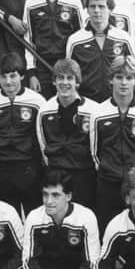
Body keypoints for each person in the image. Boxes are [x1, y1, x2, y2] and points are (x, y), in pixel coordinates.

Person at [16, 170, 100, 269]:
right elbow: (28, 259)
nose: (48, 201)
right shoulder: (34, 217)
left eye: (55, 195)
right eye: (45, 194)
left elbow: (91, 263)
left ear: (68, 196)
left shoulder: (87, 217)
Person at [90, 56, 135, 230]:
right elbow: (95, 151)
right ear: (111, 80)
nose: (124, 83)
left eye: (129, 78)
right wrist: (109, 168)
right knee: (108, 229)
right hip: (108, 182)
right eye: (119, 77)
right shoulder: (98, 113)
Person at [0, 52, 46, 215]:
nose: (8, 81)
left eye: (13, 76)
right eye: (3, 76)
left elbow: (42, 138)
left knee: (35, 217)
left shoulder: (37, 102)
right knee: (8, 218)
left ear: (22, 75)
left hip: (30, 168)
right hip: (3, 170)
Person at [36, 59, 99, 210]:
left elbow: (96, 147)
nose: (65, 82)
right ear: (54, 81)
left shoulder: (93, 110)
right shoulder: (44, 111)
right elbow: (43, 144)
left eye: (70, 78)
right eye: (60, 77)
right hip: (57, 175)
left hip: (84, 175)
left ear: (77, 82)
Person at [23, 0, 84, 98]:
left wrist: (75, 69)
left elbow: (80, 38)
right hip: (42, 67)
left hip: (67, 67)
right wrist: (32, 74)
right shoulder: (31, 3)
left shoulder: (74, 2)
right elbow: (28, 40)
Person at [66, 0, 135, 103]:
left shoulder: (123, 38)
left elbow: (134, 69)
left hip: (115, 103)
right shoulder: (75, 40)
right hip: (86, 102)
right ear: (87, 10)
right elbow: (69, 73)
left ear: (110, 10)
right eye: (92, 6)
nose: (97, 11)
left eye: (101, 6)